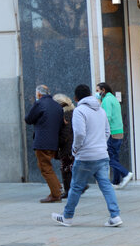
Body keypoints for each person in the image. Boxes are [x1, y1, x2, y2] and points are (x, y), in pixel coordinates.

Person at [51, 84, 122, 227]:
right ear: (90, 94)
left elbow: (80, 133)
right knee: (106, 186)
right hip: (102, 155)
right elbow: (107, 131)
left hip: (85, 156)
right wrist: (101, 144)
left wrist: (75, 149)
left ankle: (67, 217)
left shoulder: (79, 111)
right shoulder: (101, 110)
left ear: (76, 98)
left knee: (76, 187)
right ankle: (115, 216)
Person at [25, 85, 64, 203]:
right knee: (48, 167)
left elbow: (28, 119)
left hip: (42, 142)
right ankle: (58, 188)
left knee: (45, 168)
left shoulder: (39, 104)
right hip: (54, 142)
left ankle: (56, 194)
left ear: (38, 94)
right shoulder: (57, 105)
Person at [96, 83, 133, 189]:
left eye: (98, 91)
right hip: (118, 131)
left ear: (103, 90)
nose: (97, 93)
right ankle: (116, 182)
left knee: (109, 158)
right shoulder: (113, 98)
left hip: (111, 132)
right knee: (114, 158)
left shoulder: (107, 100)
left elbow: (107, 116)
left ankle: (125, 173)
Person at [53, 93, 88, 199]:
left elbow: (65, 133)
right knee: (71, 168)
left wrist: (59, 143)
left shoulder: (66, 115)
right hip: (74, 145)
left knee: (66, 169)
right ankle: (79, 186)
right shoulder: (74, 112)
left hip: (68, 146)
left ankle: (69, 190)